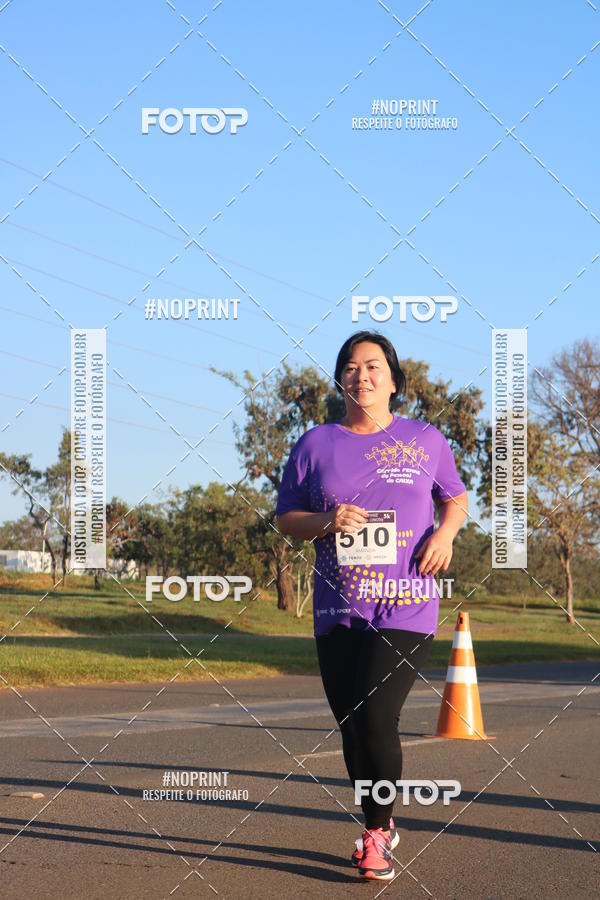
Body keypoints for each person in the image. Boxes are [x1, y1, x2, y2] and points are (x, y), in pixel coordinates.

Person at [275, 331, 468, 880]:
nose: (362, 375)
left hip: (406, 601)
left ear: (394, 379)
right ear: (340, 379)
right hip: (338, 605)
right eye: (352, 367)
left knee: (377, 713)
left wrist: (446, 535)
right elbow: (287, 517)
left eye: (374, 366)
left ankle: (378, 834)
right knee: (353, 724)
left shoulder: (424, 439)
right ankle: (374, 819)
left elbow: (454, 498)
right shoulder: (315, 444)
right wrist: (325, 521)